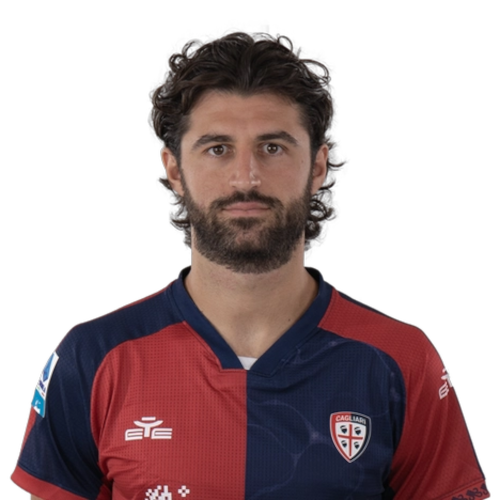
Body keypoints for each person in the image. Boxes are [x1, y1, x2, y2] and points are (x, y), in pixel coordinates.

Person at [10, 30, 490, 500]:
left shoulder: (400, 359)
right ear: (174, 169)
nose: (246, 177)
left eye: (272, 147)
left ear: (317, 166)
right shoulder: (94, 357)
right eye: (218, 149)